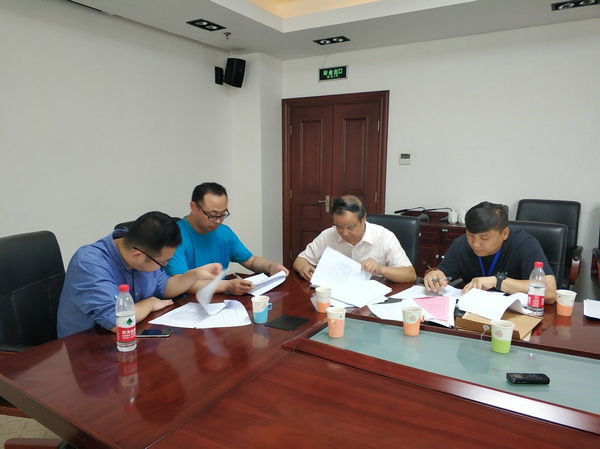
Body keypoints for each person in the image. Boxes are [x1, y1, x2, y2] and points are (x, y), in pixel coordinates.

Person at [57, 211, 222, 338]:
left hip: (133, 339)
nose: (164, 266)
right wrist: (149, 303)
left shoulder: (143, 252)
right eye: (163, 263)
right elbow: (119, 322)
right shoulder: (89, 263)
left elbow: (164, 286)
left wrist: (194, 274)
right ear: (138, 255)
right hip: (88, 349)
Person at [165, 182, 289, 295]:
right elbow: (182, 284)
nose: (218, 221)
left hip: (220, 301)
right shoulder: (174, 236)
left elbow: (251, 261)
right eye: (212, 215)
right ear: (194, 207)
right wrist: (227, 286)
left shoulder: (224, 232)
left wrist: (270, 266)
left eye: (223, 215)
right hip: (186, 304)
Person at [423, 201, 557, 302]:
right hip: (473, 313)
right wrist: (434, 275)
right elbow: (442, 273)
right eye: (470, 235)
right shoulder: (461, 244)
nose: (476, 244)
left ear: (504, 233)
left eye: (484, 238)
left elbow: (550, 292)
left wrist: (497, 282)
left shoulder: (524, 244)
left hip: (512, 317)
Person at [293, 195, 417, 283]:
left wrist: (381, 269)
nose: (344, 233)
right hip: (337, 293)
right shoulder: (328, 235)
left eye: (350, 227)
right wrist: (303, 267)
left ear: (363, 218)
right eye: (338, 226)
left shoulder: (384, 237)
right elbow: (300, 260)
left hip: (372, 297)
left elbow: (410, 275)